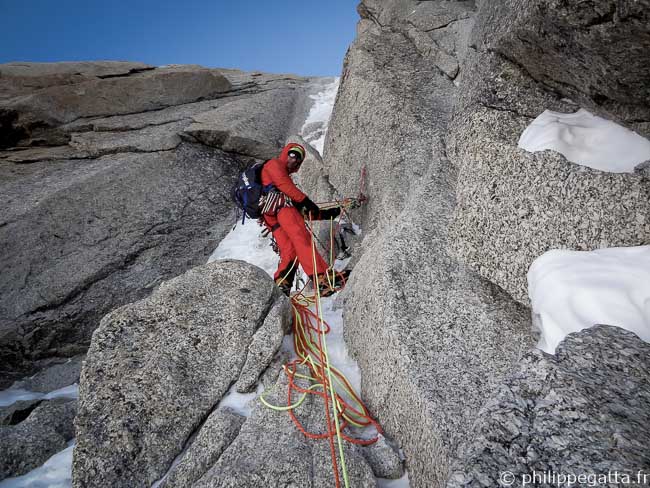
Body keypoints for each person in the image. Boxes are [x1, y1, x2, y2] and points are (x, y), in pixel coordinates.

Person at [260, 142, 346, 296]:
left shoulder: (280, 184)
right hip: (281, 208)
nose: (294, 160)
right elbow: (286, 187)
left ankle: (282, 285)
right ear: (285, 153)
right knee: (301, 238)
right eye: (292, 154)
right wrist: (307, 202)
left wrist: (332, 212)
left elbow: (304, 212)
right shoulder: (274, 164)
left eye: (298, 159)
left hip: (272, 215)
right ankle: (323, 279)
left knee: (290, 250)